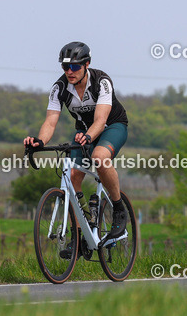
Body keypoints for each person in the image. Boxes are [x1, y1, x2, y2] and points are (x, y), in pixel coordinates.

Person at [24, 42, 130, 247]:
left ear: (86, 64)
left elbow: (100, 120)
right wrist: (39, 141)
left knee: (99, 157)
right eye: (65, 67)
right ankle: (80, 234)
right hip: (84, 131)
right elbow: (50, 120)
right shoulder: (60, 88)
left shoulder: (102, 81)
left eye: (74, 67)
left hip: (111, 126)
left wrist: (89, 137)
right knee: (72, 176)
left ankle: (118, 210)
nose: (69, 72)